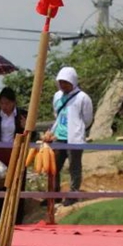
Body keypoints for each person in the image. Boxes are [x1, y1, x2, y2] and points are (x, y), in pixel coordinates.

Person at [44, 66, 93, 206]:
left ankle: (73, 194)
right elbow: (56, 114)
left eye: (66, 82)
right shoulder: (57, 96)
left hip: (74, 138)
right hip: (58, 137)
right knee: (53, 167)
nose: (63, 85)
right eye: (61, 82)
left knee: (74, 167)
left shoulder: (83, 98)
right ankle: (54, 194)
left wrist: (78, 128)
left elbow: (88, 119)